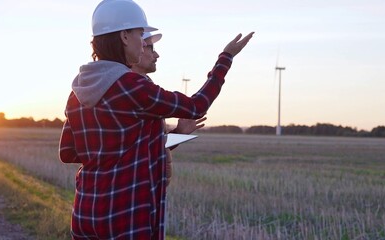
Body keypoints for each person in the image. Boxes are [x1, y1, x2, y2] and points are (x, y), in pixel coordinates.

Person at [59, 0, 254, 239]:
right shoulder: (132, 86)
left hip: (85, 214)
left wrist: (119, 148)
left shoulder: (77, 92)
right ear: (124, 36)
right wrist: (226, 58)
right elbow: (196, 105)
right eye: (141, 34)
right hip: (126, 217)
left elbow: (68, 152)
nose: (143, 44)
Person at [132, 31, 207, 186]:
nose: (157, 55)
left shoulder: (144, 89)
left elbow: (150, 148)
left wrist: (179, 133)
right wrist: (227, 57)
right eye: (150, 48)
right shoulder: (141, 92)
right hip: (133, 197)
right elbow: (197, 106)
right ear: (133, 47)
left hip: (148, 195)